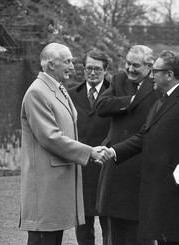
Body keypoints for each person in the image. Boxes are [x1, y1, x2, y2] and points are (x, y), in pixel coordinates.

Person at [105, 50, 179, 245]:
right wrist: (113, 151)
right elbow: (144, 136)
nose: (151, 76)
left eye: (155, 71)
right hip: (159, 194)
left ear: (169, 75)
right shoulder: (160, 101)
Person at [19, 42, 109, 245]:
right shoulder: (37, 92)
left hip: (56, 185)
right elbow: (51, 137)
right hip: (45, 187)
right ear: (51, 64)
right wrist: (90, 152)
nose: (73, 67)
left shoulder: (57, 89)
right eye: (67, 61)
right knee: (44, 239)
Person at [95, 45, 161, 245]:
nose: (130, 69)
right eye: (128, 64)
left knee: (139, 232)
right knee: (113, 233)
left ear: (149, 66)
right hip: (115, 165)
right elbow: (101, 106)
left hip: (141, 164)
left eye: (136, 65)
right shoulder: (118, 79)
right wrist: (132, 100)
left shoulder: (158, 85)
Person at [68, 50, 111, 245]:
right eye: (88, 68)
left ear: (105, 70)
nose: (92, 73)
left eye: (97, 69)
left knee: (109, 225)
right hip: (81, 168)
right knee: (83, 226)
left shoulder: (115, 93)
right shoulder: (70, 95)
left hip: (107, 167)